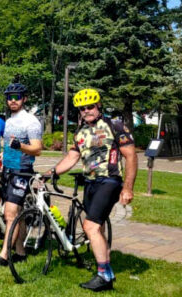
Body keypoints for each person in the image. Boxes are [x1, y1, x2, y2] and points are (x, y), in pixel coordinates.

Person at [46, 88, 137, 292]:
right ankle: (107, 267)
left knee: (90, 227)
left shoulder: (115, 125)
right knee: (98, 227)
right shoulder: (80, 132)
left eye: (90, 106)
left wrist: (128, 188)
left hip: (110, 181)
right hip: (90, 182)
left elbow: (131, 156)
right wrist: (51, 172)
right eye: (82, 108)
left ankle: (103, 276)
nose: (86, 111)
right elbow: (72, 157)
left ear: (98, 106)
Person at [0, 82, 42, 268]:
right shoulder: (9, 121)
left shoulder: (31, 121)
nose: (13, 101)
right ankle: (20, 252)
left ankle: (4, 256)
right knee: (17, 213)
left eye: (17, 97)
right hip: (8, 170)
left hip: (22, 172)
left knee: (10, 214)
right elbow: (10, 145)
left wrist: (20, 146)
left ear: (24, 99)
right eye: (10, 97)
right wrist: (4, 155)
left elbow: (37, 149)